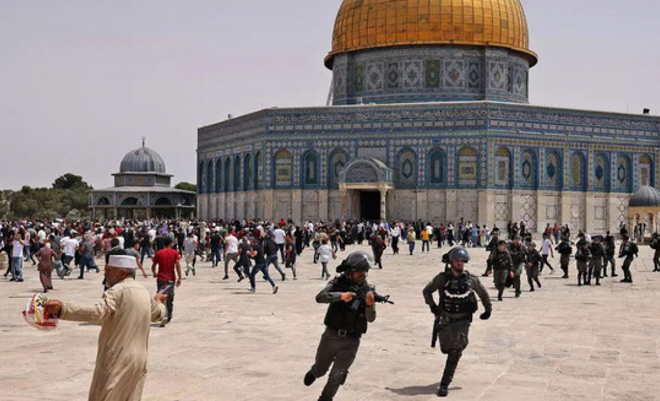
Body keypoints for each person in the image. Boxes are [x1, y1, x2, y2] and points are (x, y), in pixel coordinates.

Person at [44, 254, 167, 401]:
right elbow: (158, 313)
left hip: (118, 359)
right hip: (138, 360)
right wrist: (158, 301)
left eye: (109, 270)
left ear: (122, 273)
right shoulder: (143, 291)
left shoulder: (118, 290)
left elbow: (98, 311)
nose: (105, 273)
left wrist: (63, 309)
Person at [303, 251, 377, 401]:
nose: (362, 275)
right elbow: (320, 297)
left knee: (338, 374)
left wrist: (370, 305)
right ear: (350, 272)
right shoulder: (336, 283)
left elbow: (371, 318)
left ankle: (325, 398)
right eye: (359, 272)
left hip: (352, 340)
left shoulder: (369, 290)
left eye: (365, 272)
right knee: (322, 368)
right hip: (331, 336)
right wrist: (340, 296)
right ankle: (315, 371)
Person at [422, 247, 492, 397]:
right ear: (450, 262)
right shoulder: (442, 279)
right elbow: (427, 291)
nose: (459, 263)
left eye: (462, 261)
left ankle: (444, 383)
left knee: (455, 350)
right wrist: (433, 307)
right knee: (446, 349)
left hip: (463, 320)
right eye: (456, 260)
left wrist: (488, 310)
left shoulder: (471, 279)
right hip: (446, 319)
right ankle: (454, 352)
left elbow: (483, 294)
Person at [152, 238, 182, 327]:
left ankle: (162, 314)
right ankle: (168, 315)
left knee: (161, 297)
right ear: (171, 244)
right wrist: (180, 278)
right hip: (170, 279)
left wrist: (154, 273)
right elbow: (178, 265)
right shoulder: (175, 253)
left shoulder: (159, 253)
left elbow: (153, 265)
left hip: (161, 278)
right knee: (170, 297)